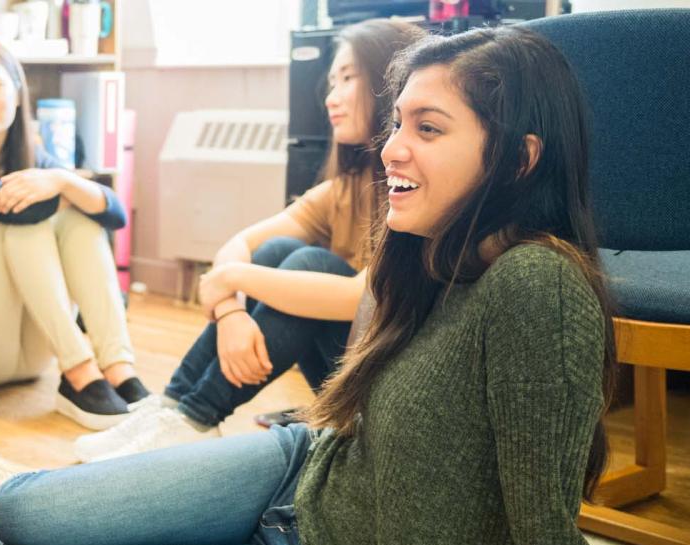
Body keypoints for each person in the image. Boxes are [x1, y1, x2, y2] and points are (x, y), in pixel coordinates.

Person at [0, 25, 615, 545]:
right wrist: (230, 304)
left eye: (427, 128)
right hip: (298, 470)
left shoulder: (538, 285)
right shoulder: (426, 248)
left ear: (520, 159)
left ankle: (99, 485)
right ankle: (50, 497)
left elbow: (551, 544)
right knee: (22, 510)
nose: (391, 149)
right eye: (397, 122)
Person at [74, 19, 427, 463]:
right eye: (331, 81)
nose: (330, 98)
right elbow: (235, 249)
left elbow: (357, 298)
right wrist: (231, 316)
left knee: (309, 264)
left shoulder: (415, 190)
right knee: (277, 252)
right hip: (349, 368)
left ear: (386, 83)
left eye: (347, 79)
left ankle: (195, 417)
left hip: (392, 383)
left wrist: (237, 278)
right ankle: (176, 411)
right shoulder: (345, 190)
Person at [0, 40, 143, 430]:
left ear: (17, 93)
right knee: (20, 216)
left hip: (32, 354)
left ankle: (119, 369)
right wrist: (66, 186)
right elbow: (23, 208)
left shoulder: (38, 163)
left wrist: (59, 179)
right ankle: (81, 373)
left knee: (81, 218)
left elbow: (115, 214)